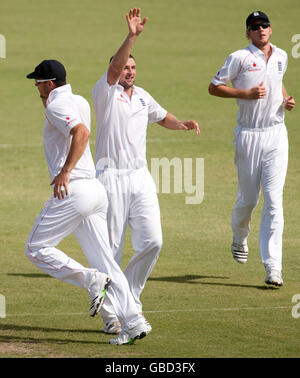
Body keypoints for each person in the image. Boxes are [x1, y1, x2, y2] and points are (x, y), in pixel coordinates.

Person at [25, 59, 148, 345]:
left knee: (36, 248)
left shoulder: (57, 105)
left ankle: (90, 281)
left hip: (74, 191)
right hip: (95, 190)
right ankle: (134, 321)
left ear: (50, 83)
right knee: (106, 262)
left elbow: (81, 132)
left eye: (39, 82)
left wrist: (65, 172)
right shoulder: (77, 100)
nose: (36, 87)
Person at [92, 8, 199, 334]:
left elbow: (160, 115)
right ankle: (112, 315)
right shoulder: (105, 92)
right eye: (125, 66)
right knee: (110, 249)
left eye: (134, 67)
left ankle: (130, 301)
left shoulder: (142, 96)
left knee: (153, 240)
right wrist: (132, 37)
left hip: (139, 176)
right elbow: (113, 68)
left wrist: (180, 124)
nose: (130, 71)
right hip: (110, 177)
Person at [208, 11, 295, 287]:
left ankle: (273, 266)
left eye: (264, 25)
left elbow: (277, 82)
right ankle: (239, 235)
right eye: (255, 27)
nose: (261, 30)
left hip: (276, 134)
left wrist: (285, 99)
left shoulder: (281, 56)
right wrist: (244, 94)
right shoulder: (239, 58)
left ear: (271, 28)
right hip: (248, 135)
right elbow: (214, 87)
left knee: (274, 200)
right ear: (248, 33)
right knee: (248, 200)